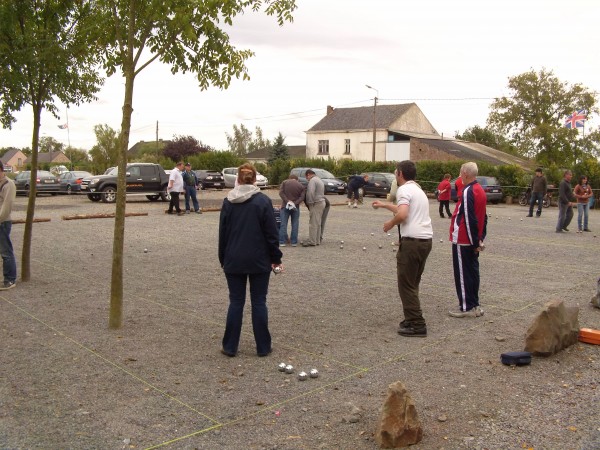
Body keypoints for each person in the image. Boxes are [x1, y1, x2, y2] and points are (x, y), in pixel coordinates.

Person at [218, 163, 282, 357]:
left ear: (238, 178)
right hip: (259, 259)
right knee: (259, 302)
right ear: (255, 179)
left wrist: (223, 258)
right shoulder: (263, 201)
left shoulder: (228, 201)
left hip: (234, 258)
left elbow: (223, 233)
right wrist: (276, 258)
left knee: (236, 302)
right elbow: (272, 234)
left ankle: (230, 347)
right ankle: (263, 347)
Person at [372, 161, 433, 337]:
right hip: (425, 240)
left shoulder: (404, 190)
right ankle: (411, 317)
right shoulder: (418, 190)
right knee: (412, 282)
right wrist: (384, 205)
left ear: (400, 174)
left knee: (406, 284)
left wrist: (390, 223)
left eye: (395, 173)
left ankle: (417, 324)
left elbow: (403, 214)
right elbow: (402, 209)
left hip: (412, 242)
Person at [448, 162, 487, 318]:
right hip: (472, 239)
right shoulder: (480, 190)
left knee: (463, 274)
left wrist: (475, 242)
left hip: (464, 238)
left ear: (465, 174)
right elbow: (483, 217)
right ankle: (474, 303)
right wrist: (480, 238)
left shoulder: (467, 191)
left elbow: (471, 218)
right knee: (472, 272)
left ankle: (467, 307)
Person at [0, 162, 17, 290]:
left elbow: (7, 205)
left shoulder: (8, 184)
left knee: (6, 252)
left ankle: (10, 279)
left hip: (2, 222)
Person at [278, 174, 305, 247]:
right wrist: (294, 203)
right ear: (297, 179)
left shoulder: (284, 182)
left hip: (285, 206)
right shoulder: (301, 186)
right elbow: (302, 197)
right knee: (295, 224)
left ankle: (282, 241)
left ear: (289, 178)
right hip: (295, 207)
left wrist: (287, 201)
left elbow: (281, 193)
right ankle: (294, 242)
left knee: (283, 224)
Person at [302, 169, 326, 247]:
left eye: (306, 177)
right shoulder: (319, 180)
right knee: (318, 223)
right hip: (322, 202)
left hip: (316, 203)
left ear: (308, 174)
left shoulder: (312, 181)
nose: (307, 179)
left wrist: (309, 203)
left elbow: (310, 192)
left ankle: (312, 241)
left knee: (313, 223)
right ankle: (317, 240)